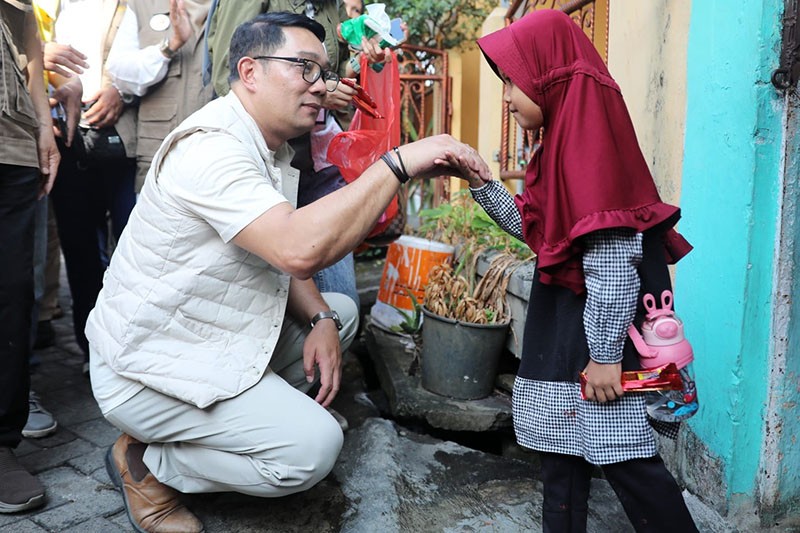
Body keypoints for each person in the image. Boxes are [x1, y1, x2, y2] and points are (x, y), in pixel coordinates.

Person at [87, 12, 486, 533]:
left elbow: (277, 251)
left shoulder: (263, 146)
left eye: (323, 72)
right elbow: (297, 249)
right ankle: (148, 465)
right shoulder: (213, 148)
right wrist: (398, 163)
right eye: (305, 69)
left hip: (202, 338)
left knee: (338, 314)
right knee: (313, 450)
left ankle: (244, 424)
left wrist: (318, 318)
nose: (321, 87)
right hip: (147, 369)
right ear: (249, 71)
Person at [448, 10, 699, 532]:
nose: (508, 95)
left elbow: (611, 268)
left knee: (628, 463)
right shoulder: (568, 144)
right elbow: (547, 234)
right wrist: (480, 182)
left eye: (514, 80)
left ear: (549, 76)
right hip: (567, 333)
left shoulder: (587, 152)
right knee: (560, 462)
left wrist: (605, 359)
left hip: (592, 346)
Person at [206, 0, 390, 310]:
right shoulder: (214, 149)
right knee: (269, 291)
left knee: (341, 303)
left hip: (318, 162)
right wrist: (316, 91)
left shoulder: (330, 7)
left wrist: (350, 72)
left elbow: (330, 71)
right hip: (269, 162)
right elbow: (229, 78)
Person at [35, 0, 138, 378]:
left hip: (126, 139)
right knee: (80, 254)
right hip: (66, 136)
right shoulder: (46, 8)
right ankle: (91, 348)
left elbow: (170, 58)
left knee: (132, 250)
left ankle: (133, 348)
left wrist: (122, 92)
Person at [0, 0, 60, 512]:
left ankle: (0, 446)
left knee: (12, 295)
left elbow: (30, 44)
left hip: (10, 144)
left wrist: (44, 124)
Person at [105, 0, 214, 190]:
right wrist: (170, 46)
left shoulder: (239, 6)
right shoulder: (143, 5)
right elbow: (120, 72)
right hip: (159, 158)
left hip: (221, 157)